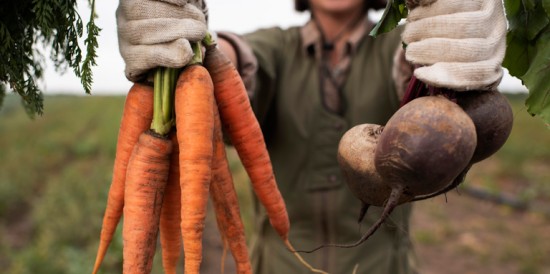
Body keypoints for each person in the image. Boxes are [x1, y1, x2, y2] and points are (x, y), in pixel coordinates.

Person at [116, 0, 507, 273]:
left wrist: (447, 45)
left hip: (383, 266)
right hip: (279, 265)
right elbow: (244, 60)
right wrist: (194, 46)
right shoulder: (278, 46)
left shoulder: (397, 44)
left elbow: (413, 67)